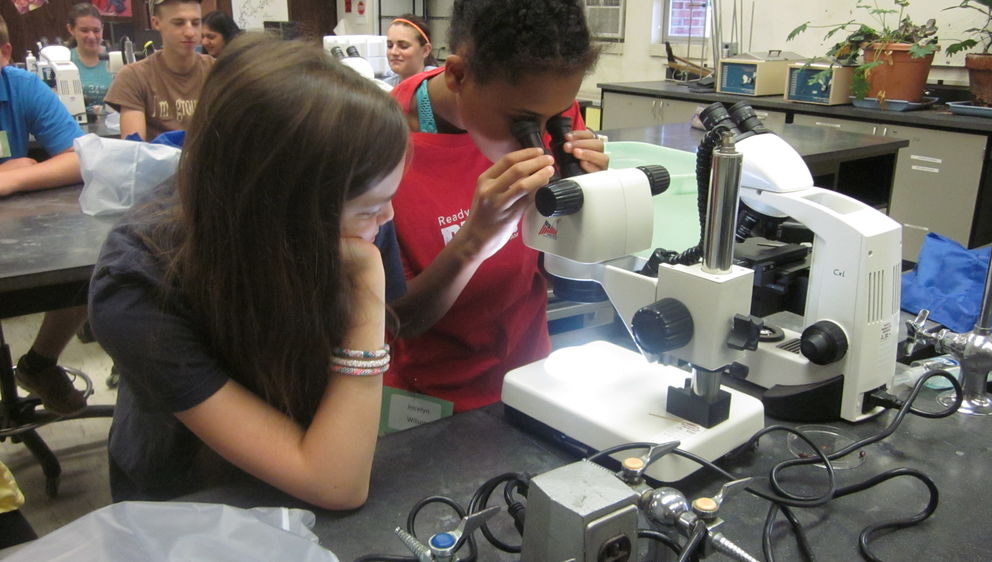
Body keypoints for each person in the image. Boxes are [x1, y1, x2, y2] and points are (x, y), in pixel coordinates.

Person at [88, 33, 408, 507]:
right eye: (369, 208)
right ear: (281, 213)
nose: (387, 221)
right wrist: (366, 286)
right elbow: (335, 484)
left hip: (322, 456)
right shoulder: (138, 287)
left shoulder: (349, 216)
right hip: (191, 503)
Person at [384, 0, 607, 413]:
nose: (540, 139)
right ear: (458, 75)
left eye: (555, 118)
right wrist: (473, 241)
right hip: (427, 401)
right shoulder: (379, 145)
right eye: (523, 123)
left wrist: (592, 206)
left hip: (532, 374)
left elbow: (561, 270)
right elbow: (393, 322)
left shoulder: (543, 100)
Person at [0, 15, 90, 416]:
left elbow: (82, 157)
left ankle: (39, 363)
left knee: (92, 261)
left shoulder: (20, 86)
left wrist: (17, 178)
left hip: (16, 229)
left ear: (4, 55)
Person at [104, 0, 213, 140]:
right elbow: (134, 151)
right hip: (157, 161)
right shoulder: (134, 76)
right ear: (156, 23)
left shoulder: (217, 71)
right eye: (179, 23)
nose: (190, 32)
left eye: (196, 23)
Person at [66, 2, 113, 110]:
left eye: (96, 31)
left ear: (102, 29)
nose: (91, 36)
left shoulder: (116, 59)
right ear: (71, 29)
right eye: (84, 30)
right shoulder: (64, 61)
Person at [382, 14, 436, 88]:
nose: (393, 52)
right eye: (390, 46)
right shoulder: (384, 88)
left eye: (403, 46)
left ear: (425, 50)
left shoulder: (438, 85)